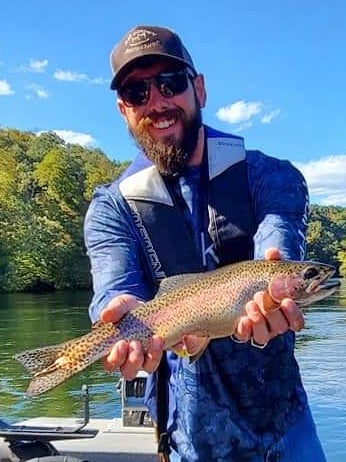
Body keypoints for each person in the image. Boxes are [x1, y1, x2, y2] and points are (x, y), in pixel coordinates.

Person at [84, 25, 326, 462]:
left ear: (199, 88)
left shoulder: (271, 177)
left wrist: (280, 268)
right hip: (189, 438)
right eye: (138, 92)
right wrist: (116, 311)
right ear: (123, 109)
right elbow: (114, 285)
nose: (156, 101)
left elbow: (279, 239)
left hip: (287, 428)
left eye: (170, 83)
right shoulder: (111, 209)